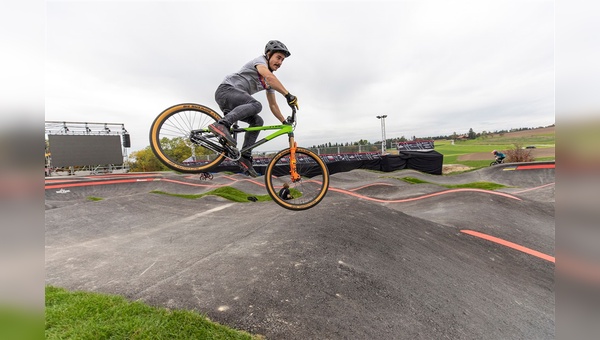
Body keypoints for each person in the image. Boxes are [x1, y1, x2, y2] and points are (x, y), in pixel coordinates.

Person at [208, 40, 300, 177]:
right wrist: (287, 95)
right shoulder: (260, 62)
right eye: (278, 58)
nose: (280, 62)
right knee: (256, 105)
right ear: (268, 55)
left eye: (283, 60)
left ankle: (245, 155)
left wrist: (283, 121)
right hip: (226, 91)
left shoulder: (268, 82)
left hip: (235, 101)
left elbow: (273, 105)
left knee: (258, 121)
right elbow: (269, 76)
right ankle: (221, 124)